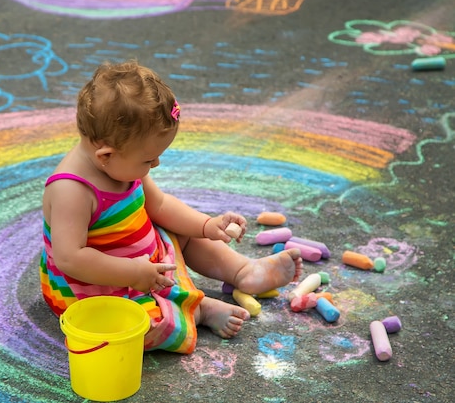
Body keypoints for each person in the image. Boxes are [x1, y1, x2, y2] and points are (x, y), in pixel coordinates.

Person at [40, 60, 302, 354]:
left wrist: (206, 225)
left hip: (145, 263)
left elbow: (160, 205)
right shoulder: (71, 191)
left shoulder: (122, 166)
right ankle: (199, 309)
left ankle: (243, 271)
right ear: (105, 155)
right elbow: (70, 259)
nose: (155, 165)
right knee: (135, 331)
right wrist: (130, 272)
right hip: (99, 284)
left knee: (184, 232)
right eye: (148, 159)